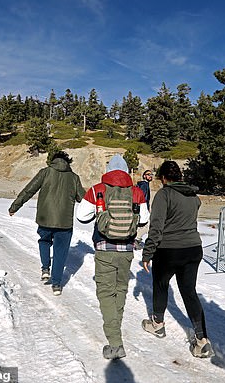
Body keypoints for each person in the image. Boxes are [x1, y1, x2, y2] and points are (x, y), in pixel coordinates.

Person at [76, 154, 150, 360]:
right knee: (120, 291)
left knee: (106, 294)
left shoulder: (97, 189)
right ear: (127, 171)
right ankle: (115, 328)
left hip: (104, 248)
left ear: (108, 170)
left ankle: (115, 343)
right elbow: (144, 220)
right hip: (126, 250)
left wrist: (99, 215)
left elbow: (81, 216)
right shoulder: (136, 192)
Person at [140, 160, 214, 358]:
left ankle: (157, 325)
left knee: (161, 284)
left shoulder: (164, 195)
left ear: (163, 178)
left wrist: (147, 253)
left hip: (169, 249)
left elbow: (156, 227)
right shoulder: (193, 196)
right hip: (193, 249)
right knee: (189, 292)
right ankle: (202, 340)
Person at [8, 151, 85, 296]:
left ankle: (45, 269)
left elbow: (28, 190)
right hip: (64, 221)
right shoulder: (74, 178)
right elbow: (83, 198)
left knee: (44, 241)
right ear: (68, 161)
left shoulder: (45, 172)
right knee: (60, 251)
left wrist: (15, 207)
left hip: (44, 218)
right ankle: (56, 284)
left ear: (52, 160)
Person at [135, 169, 154, 249]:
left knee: (141, 225)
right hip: (142, 207)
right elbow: (142, 197)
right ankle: (136, 239)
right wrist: (144, 208)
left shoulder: (144, 184)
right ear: (144, 176)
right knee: (147, 225)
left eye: (151, 174)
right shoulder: (144, 185)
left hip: (143, 207)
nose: (150, 176)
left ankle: (136, 239)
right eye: (148, 174)